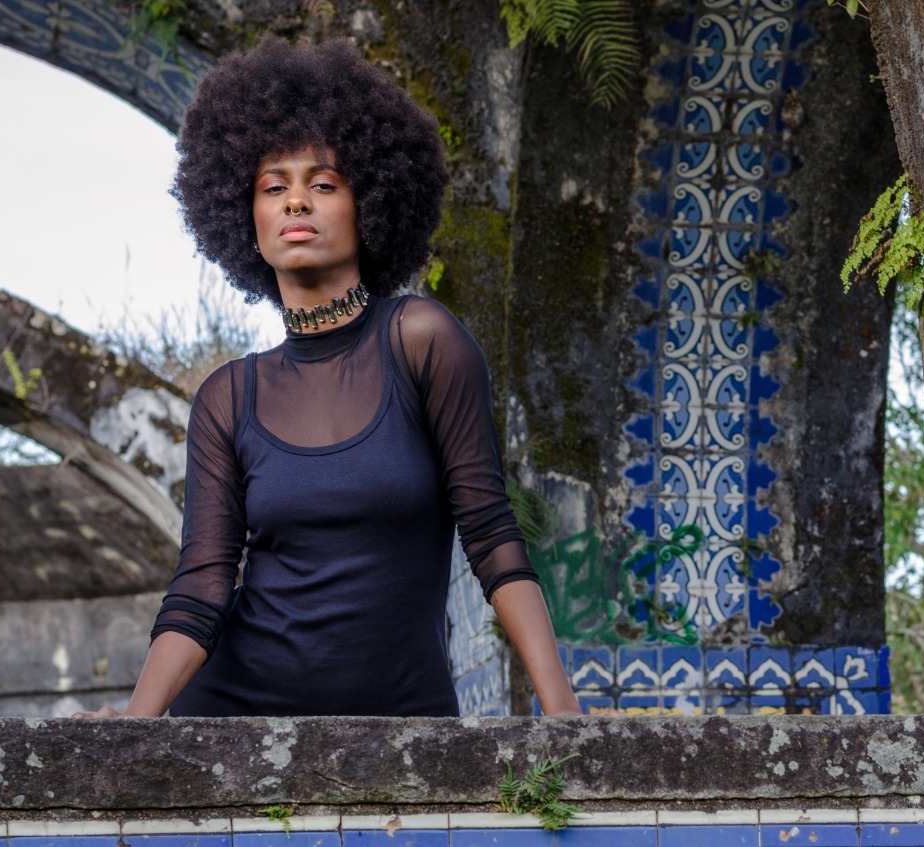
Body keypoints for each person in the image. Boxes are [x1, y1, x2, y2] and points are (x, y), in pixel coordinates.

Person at [74, 37, 581, 718]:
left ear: (369, 201)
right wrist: (136, 724)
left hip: (404, 718)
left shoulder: (423, 341)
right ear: (244, 217)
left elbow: (491, 534)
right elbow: (201, 586)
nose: (295, 203)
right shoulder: (229, 398)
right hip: (239, 719)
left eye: (323, 182)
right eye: (272, 186)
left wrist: (561, 708)